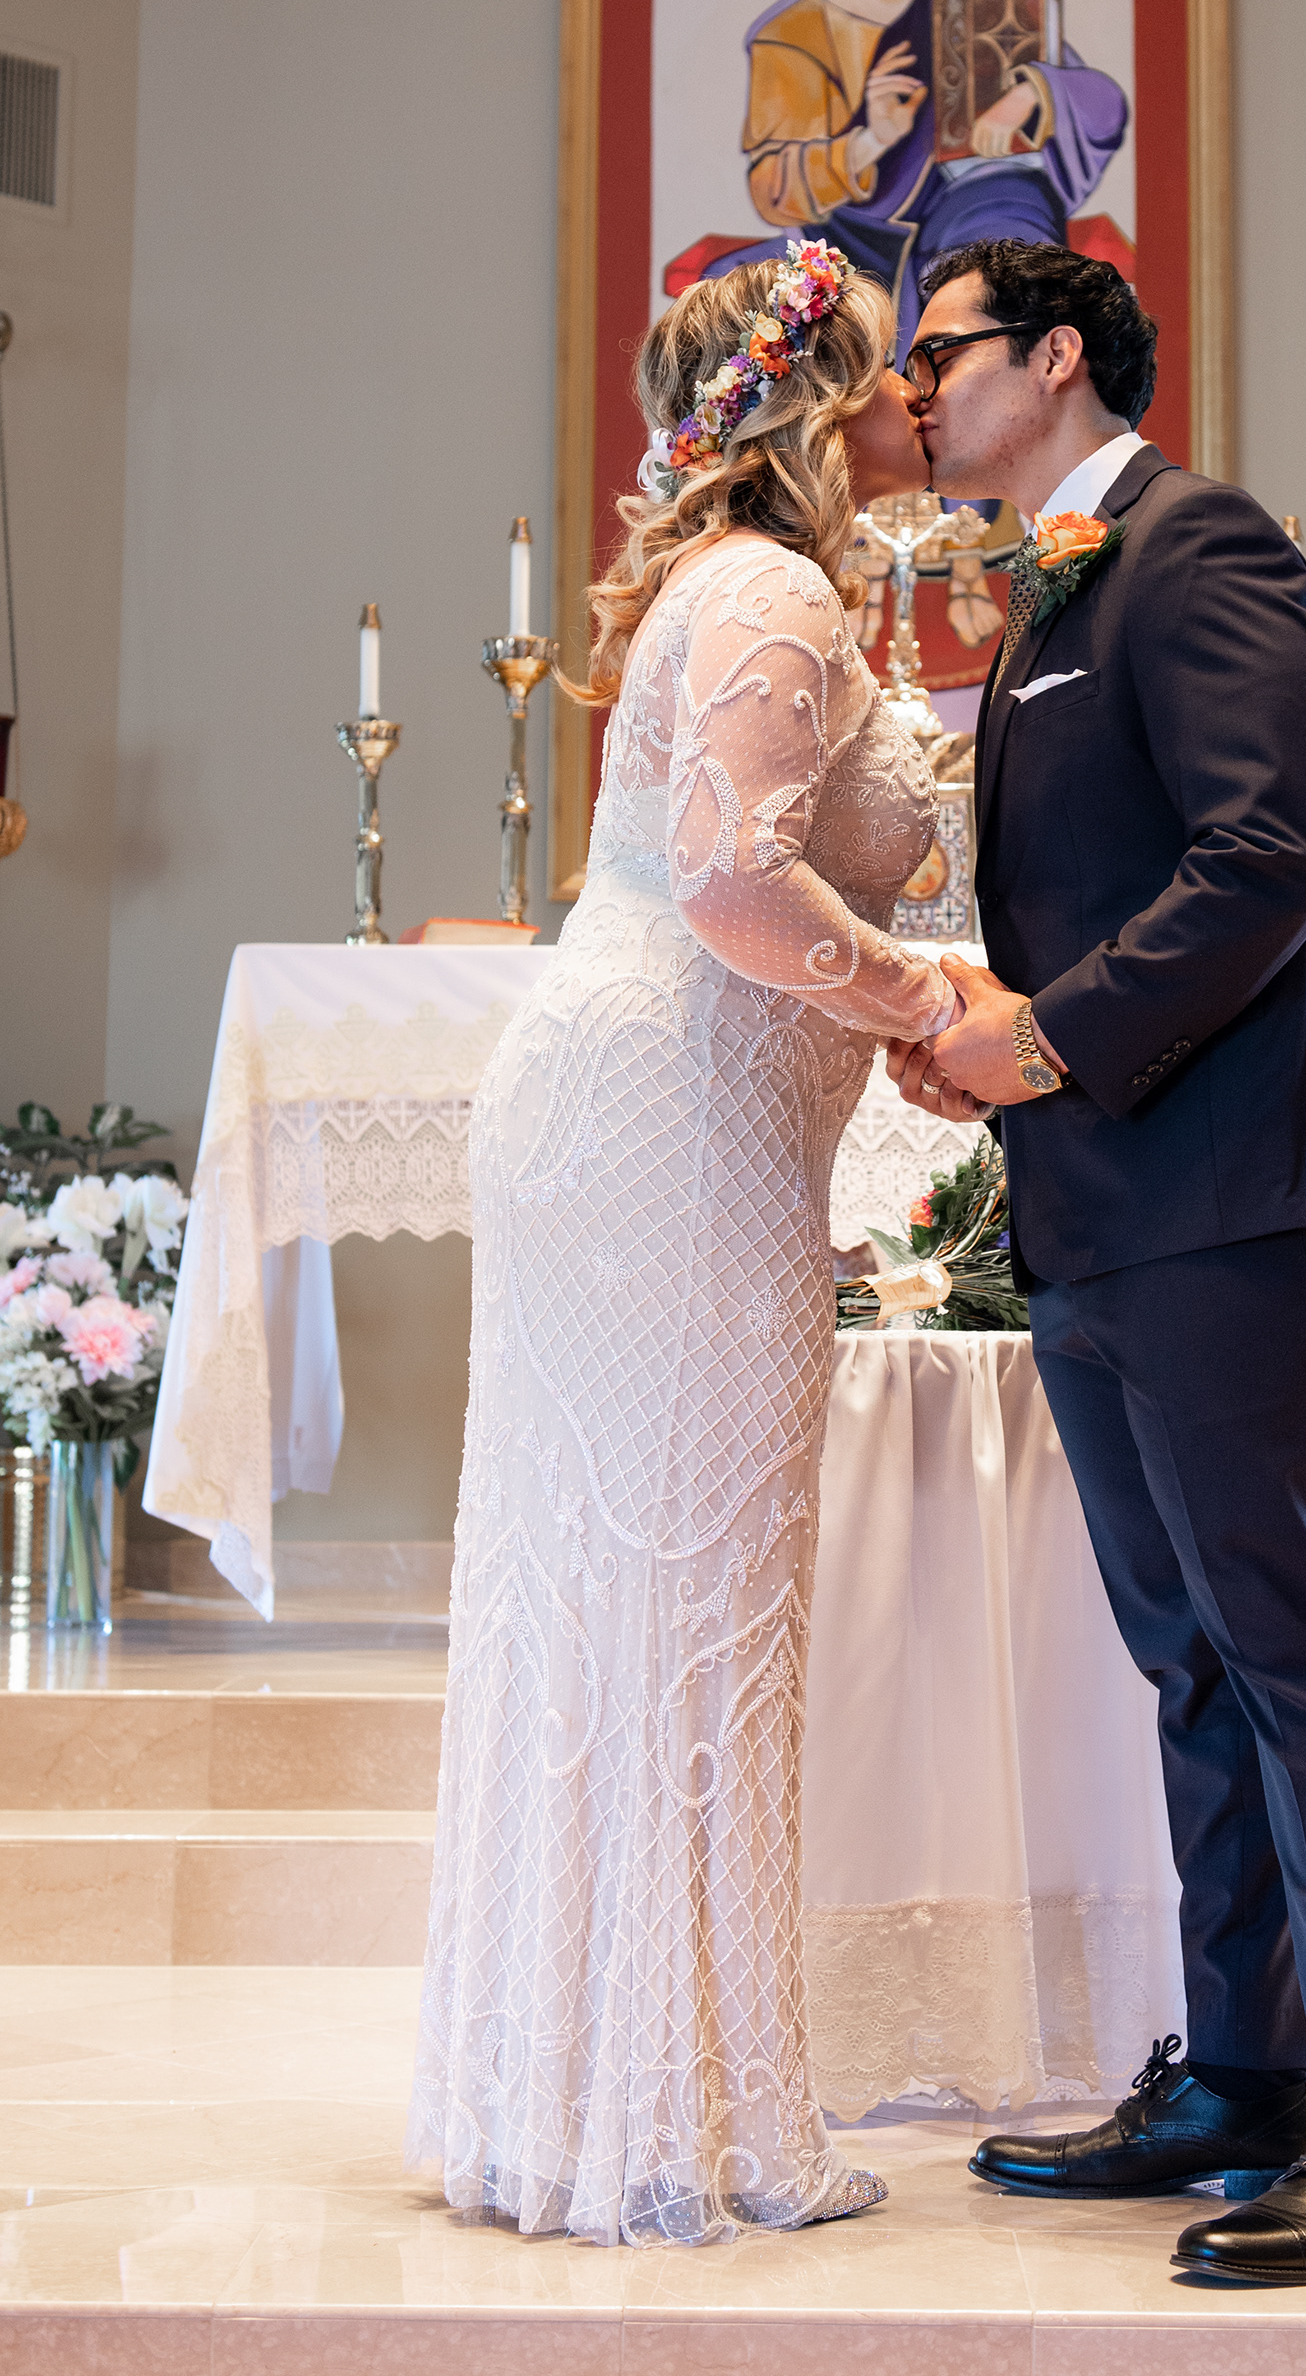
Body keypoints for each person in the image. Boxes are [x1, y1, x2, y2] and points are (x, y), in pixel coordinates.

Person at [885, 240, 1306, 2288]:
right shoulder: (1051, 587)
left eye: (943, 352)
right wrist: (989, 1034)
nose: (914, 389)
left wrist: (1046, 1037)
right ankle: (1245, 2072)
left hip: (1236, 1190)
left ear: (1056, 354)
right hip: (1106, 1197)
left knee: (1299, 1640)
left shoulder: (1196, 542)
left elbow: (1276, 853)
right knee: (1196, 1658)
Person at [408, 243, 959, 2244]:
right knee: (694, 1584)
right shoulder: (774, 590)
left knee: (638, 1586)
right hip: (676, 1127)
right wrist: (923, 1000)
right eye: (883, 371)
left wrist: (888, 1003)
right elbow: (733, 879)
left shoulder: (747, 588)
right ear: (816, 403)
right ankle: (684, 2116)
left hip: (666, 1111)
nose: (911, 402)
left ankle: (597, 2091)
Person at [701, 0, 1127, 358]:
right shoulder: (793, 36)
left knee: (1004, 273)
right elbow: (773, 188)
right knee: (730, 306)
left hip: (971, 211)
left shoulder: (973, 5)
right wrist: (871, 141)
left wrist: (1031, 90)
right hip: (850, 242)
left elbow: (1104, 103)